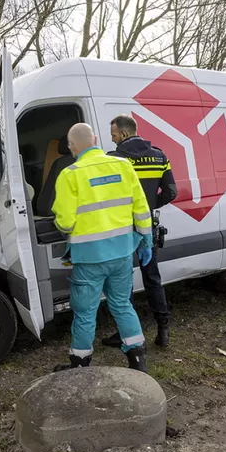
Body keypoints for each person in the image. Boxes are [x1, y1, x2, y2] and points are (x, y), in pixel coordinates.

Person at [51, 123, 154, 373]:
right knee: (122, 305)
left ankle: (80, 362)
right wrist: (146, 241)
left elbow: (65, 221)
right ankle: (137, 360)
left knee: (85, 312)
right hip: (122, 254)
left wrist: (59, 220)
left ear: (71, 146)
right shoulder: (123, 165)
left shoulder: (70, 174)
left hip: (89, 258)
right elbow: (141, 208)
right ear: (95, 139)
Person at [101, 114, 178, 349]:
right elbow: (171, 191)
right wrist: (150, 206)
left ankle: (126, 332)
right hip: (147, 227)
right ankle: (163, 330)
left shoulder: (114, 158)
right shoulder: (159, 156)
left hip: (123, 229)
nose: (112, 139)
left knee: (122, 282)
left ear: (123, 134)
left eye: (114, 135)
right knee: (152, 278)